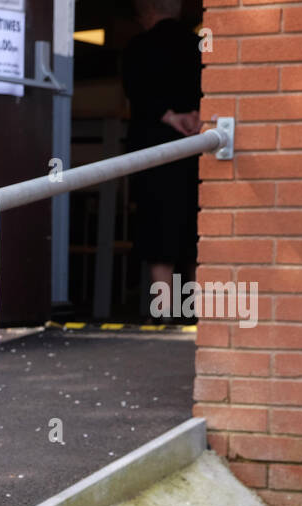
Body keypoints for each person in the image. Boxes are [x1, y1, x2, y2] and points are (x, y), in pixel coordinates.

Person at [121, 0, 203, 321]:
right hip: (198, 145)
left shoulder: (138, 47)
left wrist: (169, 117)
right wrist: (197, 117)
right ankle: (197, 318)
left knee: (158, 230)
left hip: (154, 149)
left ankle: (164, 315)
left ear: (144, 13)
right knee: (196, 230)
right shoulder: (200, 46)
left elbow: (136, 92)